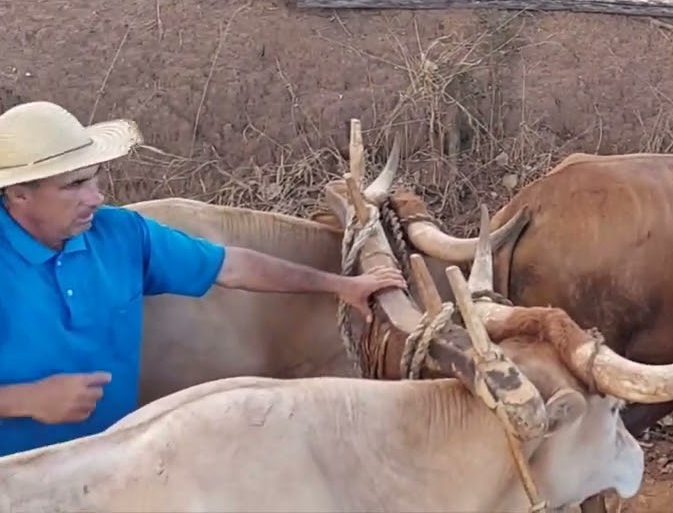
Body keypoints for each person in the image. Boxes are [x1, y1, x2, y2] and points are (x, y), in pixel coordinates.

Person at [0, 100, 407, 456]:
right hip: (15, 478)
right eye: (74, 185)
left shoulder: (120, 234)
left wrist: (341, 285)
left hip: (109, 463)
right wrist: (26, 399)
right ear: (19, 193)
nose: (96, 196)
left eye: (94, 177)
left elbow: (231, 266)